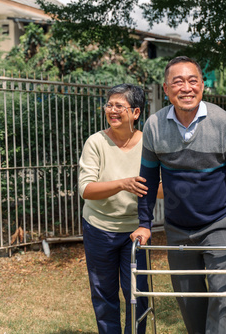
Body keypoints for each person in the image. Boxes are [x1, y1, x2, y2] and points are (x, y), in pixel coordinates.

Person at [132, 56, 226, 334]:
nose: (186, 88)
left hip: (218, 224)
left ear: (202, 86)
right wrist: (144, 223)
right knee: (189, 302)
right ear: (166, 89)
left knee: (221, 295)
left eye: (192, 81)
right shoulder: (154, 126)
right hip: (178, 229)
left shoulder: (223, 122)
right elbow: (149, 180)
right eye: (178, 82)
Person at [78, 84, 149, 334]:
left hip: (137, 231)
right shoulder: (96, 142)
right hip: (100, 228)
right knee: (104, 295)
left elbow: (162, 187)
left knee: (138, 295)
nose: (112, 110)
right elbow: (86, 189)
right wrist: (123, 184)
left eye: (120, 106)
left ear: (136, 112)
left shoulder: (148, 143)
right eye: (109, 105)